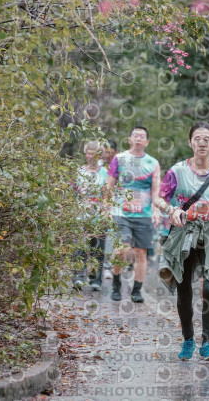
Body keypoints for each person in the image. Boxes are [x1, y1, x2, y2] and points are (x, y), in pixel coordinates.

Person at [154, 122, 209, 361]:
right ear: (190, 143)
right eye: (197, 138)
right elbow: (159, 198)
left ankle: (207, 342)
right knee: (184, 288)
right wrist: (171, 210)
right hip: (184, 231)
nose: (202, 143)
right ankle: (188, 340)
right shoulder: (177, 170)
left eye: (207, 139)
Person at [106, 126, 161, 302]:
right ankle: (116, 283)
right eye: (135, 135)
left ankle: (136, 290)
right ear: (129, 139)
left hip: (144, 214)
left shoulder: (153, 163)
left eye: (142, 136)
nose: (138, 138)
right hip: (121, 212)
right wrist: (108, 208)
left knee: (140, 253)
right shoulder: (119, 159)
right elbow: (109, 186)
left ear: (147, 142)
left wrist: (156, 211)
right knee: (121, 249)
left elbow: (156, 190)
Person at [73, 141, 108, 290]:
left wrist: (106, 212)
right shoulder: (79, 171)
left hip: (99, 215)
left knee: (97, 249)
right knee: (80, 247)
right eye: (88, 153)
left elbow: (108, 195)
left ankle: (95, 280)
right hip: (81, 215)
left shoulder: (105, 173)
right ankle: (78, 277)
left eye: (94, 154)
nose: (91, 157)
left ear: (99, 155)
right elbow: (74, 193)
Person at [100, 139, 117, 281]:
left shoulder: (118, 166)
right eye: (104, 152)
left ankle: (107, 267)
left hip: (114, 205)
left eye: (109, 152)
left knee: (111, 236)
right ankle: (94, 268)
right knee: (97, 237)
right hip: (97, 205)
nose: (106, 154)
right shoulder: (99, 166)